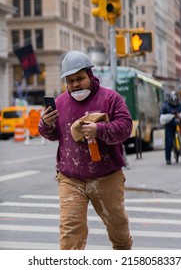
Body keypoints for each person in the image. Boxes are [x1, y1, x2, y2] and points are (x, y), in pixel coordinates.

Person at [38, 50, 133, 250]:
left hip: (107, 176)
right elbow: (53, 134)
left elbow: (125, 128)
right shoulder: (60, 103)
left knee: (118, 228)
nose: (75, 84)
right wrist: (45, 124)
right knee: (70, 231)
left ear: (90, 75)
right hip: (70, 178)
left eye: (80, 78)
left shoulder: (111, 98)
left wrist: (100, 129)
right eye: (70, 80)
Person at [159, 90, 181, 165]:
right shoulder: (165, 106)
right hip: (170, 126)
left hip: (180, 124)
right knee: (168, 142)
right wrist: (171, 116)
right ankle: (168, 158)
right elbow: (161, 116)